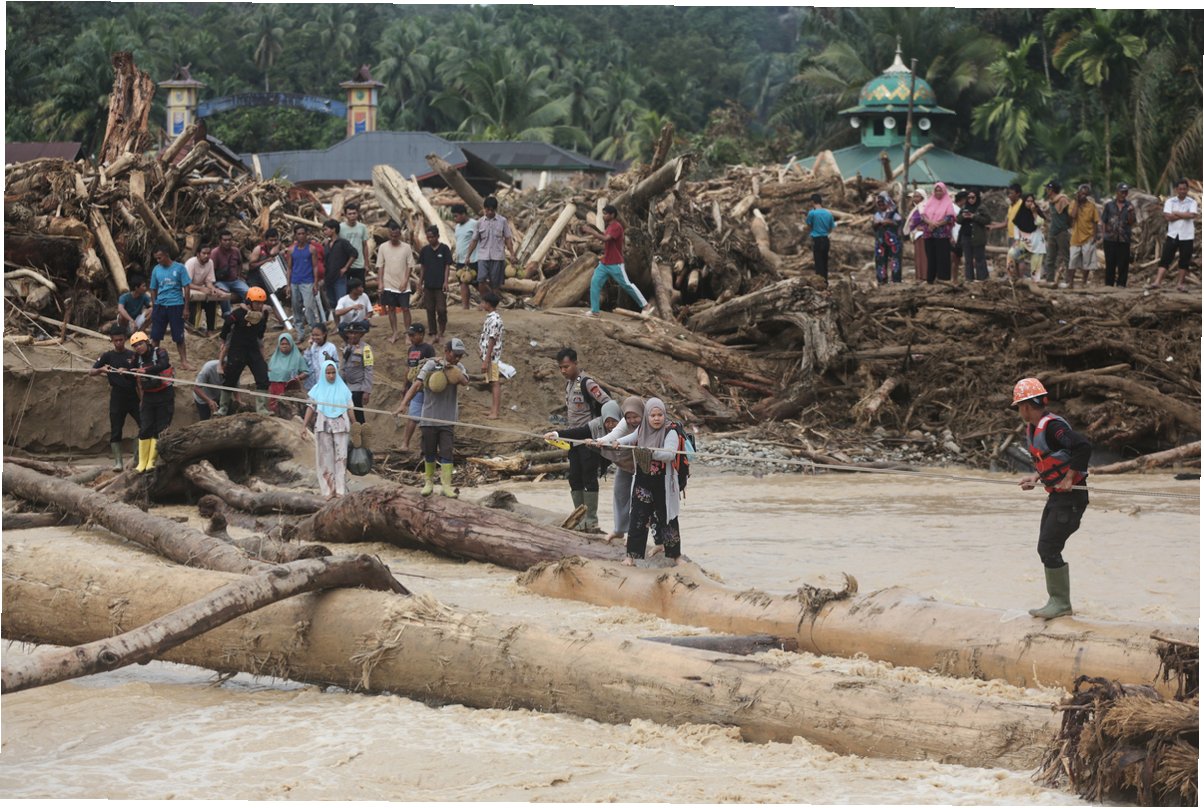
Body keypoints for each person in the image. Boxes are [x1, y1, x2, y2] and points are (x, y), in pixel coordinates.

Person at [1012, 377, 1091, 620]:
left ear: (1026, 406)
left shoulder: (1053, 428)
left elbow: (1083, 447)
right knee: (1045, 547)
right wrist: (1035, 477)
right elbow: (1050, 458)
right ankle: (1057, 602)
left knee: (1048, 547)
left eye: (1019, 406)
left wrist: (1069, 478)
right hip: (1057, 498)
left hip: (1072, 498)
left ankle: (1061, 604)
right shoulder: (1035, 428)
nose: (1019, 411)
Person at [613, 397, 684, 566]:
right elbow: (630, 438)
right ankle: (630, 556)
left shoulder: (670, 431)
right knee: (638, 518)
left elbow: (670, 454)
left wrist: (650, 453)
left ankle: (675, 556)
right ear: (647, 416)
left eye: (660, 415)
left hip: (663, 483)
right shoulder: (642, 428)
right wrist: (617, 442)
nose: (656, 418)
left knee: (667, 519)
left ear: (664, 415)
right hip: (642, 482)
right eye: (653, 415)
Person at [397, 337, 471, 498]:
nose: (458, 358)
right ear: (446, 351)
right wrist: (403, 404)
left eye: (460, 356)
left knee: (446, 452)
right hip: (429, 418)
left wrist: (451, 368)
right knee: (429, 452)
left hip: (447, 419)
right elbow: (417, 384)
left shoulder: (459, 367)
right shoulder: (431, 365)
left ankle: (446, 486)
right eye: (455, 355)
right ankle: (428, 483)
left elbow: (465, 382)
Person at [556, 347, 611, 531]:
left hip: (588, 439)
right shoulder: (569, 385)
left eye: (566, 366)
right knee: (574, 477)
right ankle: (579, 518)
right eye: (560, 367)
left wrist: (598, 426)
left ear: (575, 363)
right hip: (573, 438)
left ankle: (591, 520)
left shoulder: (587, 383)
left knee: (589, 477)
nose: (563, 370)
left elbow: (608, 404)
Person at [589, 395, 644, 542]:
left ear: (642, 413)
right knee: (619, 494)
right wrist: (600, 441)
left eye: (635, 417)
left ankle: (634, 533)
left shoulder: (647, 422)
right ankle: (619, 530)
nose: (632, 421)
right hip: (627, 465)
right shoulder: (625, 422)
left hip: (645, 466)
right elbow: (615, 433)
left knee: (637, 498)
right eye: (629, 417)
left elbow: (634, 436)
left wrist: (618, 441)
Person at [89, 324, 141, 470]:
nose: (118, 343)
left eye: (121, 340)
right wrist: (101, 369)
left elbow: (139, 373)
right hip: (117, 396)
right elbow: (91, 372)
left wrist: (129, 371)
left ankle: (137, 457)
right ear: (111, 340)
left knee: (144, 425)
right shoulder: (108, 356)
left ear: (125, 339)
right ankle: (118, 462)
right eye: (115, 340)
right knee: (116, 429)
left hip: (133, 395)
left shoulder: (133, 355)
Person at [582, 204, 648, 316]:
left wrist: (591, 231)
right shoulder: (609, 226)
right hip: (605, 263)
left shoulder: (617, 226)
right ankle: (595, 310)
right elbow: (604, 237)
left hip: (615, 263)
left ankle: (645, 305)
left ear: (612, 215)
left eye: (605, 214)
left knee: (626, 285)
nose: (603, 216)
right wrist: (593, 231)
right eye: (603, 214)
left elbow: (606, 238)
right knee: (595, 282)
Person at [302, 360, 354, 499]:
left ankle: (340, 490)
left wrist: (355, 425)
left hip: (341, 426)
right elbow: (310, 407)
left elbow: (350, 408)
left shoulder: (343, 389)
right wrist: (304, 425)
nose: (331, 375)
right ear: (323, 374)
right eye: (328, 373)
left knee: (341, 458)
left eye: (333, 372)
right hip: (323, 426)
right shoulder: (317, 389)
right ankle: (328, 490)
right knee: (325, 459)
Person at [217, 288, 272, 417]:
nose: (260, 306)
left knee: (263, 377)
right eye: (257, 303)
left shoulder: (263, 314)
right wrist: (223, 340)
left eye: (261, 303)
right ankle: (223, 408)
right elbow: (227, 324)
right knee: (230, 377)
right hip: (237, 349)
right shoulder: (238, 313)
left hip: (253, 349)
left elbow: (261, 332)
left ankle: (262, 409)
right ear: (249, 302)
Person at [129, 330, 174, 473]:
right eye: (135, 346)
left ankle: (152, 462)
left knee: (160, 428)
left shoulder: (160, 352)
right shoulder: (136, 358)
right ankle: (142, 462)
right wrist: (125, 370)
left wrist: (146, 370)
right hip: (148, 396)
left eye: (140, 344)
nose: (138, 347)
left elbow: (164, 364)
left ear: (147, 342)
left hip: (164, 395)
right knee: (145, 428)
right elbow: (132, 370)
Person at [148, 246, 192, 370]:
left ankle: (184, 361)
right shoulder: (156, 269)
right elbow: (153, 288)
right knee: (155, 336)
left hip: (176, 305)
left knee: (179, 336)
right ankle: (152, 360)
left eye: (160, 258)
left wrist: (186, 307)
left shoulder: (180, 268)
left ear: (166, 255)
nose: (158, 261)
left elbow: (187, 287)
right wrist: (155, 305)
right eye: (156, 259)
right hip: (160, 305)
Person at [1152, 178, 1200, 292]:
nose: (1182, 191)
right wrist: (1184, 215)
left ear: (1187, 189)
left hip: (1187, 235)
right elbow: (1168, 217)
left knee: (1184, 260)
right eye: (1180, 189)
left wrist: (1176, 213)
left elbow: (1192, 215)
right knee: (1165, 258)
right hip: (1173, 234)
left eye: (1184, 189)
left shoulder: (1192, 202)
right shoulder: (1170, 201)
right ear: (1176, 190)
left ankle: (1180, 284)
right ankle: (1157, 282)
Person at [465, 196, 516, 297]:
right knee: (481, 280)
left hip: (497, 257)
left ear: (495, 209)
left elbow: (508, 239)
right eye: (487, 210)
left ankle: (494, 302)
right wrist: (468, 256)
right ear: (484, 209)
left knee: (495, 284)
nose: (489, 212)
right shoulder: (479, 223)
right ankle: (485, 300)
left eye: (492, 210)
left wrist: (512, 254)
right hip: (483, 256)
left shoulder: (502, 221)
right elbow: (474, 240)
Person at [375, 220, 414, 343]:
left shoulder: (406, 247)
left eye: (396, 235)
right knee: (391, 308)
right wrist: (380, 283)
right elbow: (380, 266)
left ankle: (408, 334)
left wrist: (405, 281)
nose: (394, 237)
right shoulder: (383, 247)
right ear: (389, 234)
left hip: (403, 283)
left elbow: (410, 265)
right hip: (388, 283)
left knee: (405, 309)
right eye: (392, 235)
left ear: (400, 234)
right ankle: (395, 333)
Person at [399, 323, 436, 449]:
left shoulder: (428, 348)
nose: (410, 338)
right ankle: (405, 443)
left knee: (427, 418)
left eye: (412, 335)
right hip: (413, 387)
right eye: (409, 335)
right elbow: (408, 368)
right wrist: (405, 385)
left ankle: (426, 446)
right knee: (412, 416)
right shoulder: (411, 349)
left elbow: (432, 366)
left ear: (421, 334)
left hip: (424, 387)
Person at [284, 224, 324, 332]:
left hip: (308, 281)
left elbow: (315, 266)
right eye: (299, 234)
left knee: (309, 307)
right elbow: (289, 268)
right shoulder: (291, 250)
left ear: (307, 235)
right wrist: (288, 285)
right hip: (295, 282)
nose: (301, 236)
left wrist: (315, 283)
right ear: (295, 235)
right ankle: (300, 332)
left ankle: (313, 329)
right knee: (296, 307)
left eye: (303, 234)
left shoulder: (311, 249)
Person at [418, 223, 454, 340]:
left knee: (441, 309)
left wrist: (446, 282)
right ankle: (432, 331)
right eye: (428, 237)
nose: (430, 239)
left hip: (440, 285)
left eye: (432, 237)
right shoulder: (425, 250)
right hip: (428, 284)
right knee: (429, 309)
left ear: (437, 236)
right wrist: (420, 282)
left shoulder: (444, 249)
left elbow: (447, 266)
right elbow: (423, 267)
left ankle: (442, 329)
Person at [185, 244, 230, 336]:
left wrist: (213, 289)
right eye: (204, 253)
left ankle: (210, 329)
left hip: (199, 288)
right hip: (187, 290)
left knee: (212, 301)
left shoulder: (210, 262)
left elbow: (209, 281)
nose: (206, 256)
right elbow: (187, 284)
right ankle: (193, 329)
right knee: (196, 302)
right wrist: (201, 288)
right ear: (198, 254)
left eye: (208, 253)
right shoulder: (191, 263)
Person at [1101, 183, 1137, 288]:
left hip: (1124, 238)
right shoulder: (1109, 205)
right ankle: (1109, 284)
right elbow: (1104, 221)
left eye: (1125, 192)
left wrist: (1130, 212)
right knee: (1110, 262)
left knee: (1123, 263)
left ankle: (1121, 283)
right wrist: (1103, 235)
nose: (1123, 194)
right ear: (1117, 192)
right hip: (1110, 238)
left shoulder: (1129, 206)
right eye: (1122, 192)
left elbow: (1131, 222)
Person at [919, 182, 956, 283]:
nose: (938, 192)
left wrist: (936, 224)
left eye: (940, 190)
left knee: (942, 256)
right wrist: (930, 222)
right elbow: (923, 216)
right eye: (936, 190)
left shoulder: (948, 202)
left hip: (942, 234)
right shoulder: (929, 202)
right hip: (929, 233)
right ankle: (930, 279)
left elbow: (949, 217)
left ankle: (943, 278)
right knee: (930, 256)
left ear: (944, 191)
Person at [1067, 184, 1101, 289]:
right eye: (1081, 193)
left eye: (1085, 194)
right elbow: (1072, 215)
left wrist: (1095, 236)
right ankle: (1070, 283)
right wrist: (1077, 202)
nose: (1083, 196)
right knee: (1072, 260)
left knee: (1087, 261)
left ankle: (1084, 282)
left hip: (1088, 236)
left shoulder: (1091, 206)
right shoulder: (1073, 203)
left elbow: (1095, 221)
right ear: (1078, 193)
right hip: (1075, 237)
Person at [1007, 194, 1047, 281]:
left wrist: (1034, 212)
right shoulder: (1021, 212)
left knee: (1035, 267)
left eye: (1031, 201)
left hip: (1037, 242)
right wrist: (1017, 239)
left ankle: (1035, 282)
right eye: (1028, 201)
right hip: (1025, 241)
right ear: (1024, 202)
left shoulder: (1037, 212)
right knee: (1011, 253)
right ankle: (1014, 278)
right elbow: (1016, 225)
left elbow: (1039, 223)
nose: (1030, 203)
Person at [340, 320, 374, 424]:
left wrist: (366, 391)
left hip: (358, 387)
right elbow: (343, 367)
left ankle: (362, 431)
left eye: (355, 333)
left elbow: (368, 370)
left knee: (358, 414)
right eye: (350, 333)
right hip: (346, 386)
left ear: (361, 334)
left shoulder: (366, 349)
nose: (353, 335)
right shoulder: (347, 347)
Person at [266, 332, 308, 415]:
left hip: (290, 387)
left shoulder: (297, 357)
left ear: (291, 344)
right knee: (275, 407)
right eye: (282, 344)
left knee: (288, 408)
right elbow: (268, 372)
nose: (284, 346)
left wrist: (298, 377)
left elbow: (306, 372)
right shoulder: (274, 357)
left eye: (287, 344)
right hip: (275, 387)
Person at [321, 218, 358, 313]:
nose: (324, 232)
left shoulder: (342, 242)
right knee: (332, 303)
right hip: (329, 277)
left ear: (333, 229)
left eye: (326, 229)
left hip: (339, 277)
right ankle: (337, 321)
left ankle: (346, 320)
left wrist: (345, 267)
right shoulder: (326, 244)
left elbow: (354, 254)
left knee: (341, 300)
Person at [211, 230, 249, 317]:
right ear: (220, 241)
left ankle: (246, 312)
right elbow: (211, 269)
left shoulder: (236, 251)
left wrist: (239, 275)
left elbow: (240, 263)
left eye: (229, 240)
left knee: (248, 292)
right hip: (221, 281)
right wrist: (213, 283)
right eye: (225, 240)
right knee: (225, 294)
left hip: (235, 280)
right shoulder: (215, 253)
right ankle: (227, 314)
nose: (227, 242)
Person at [478, 292, 504, 419]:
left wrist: (486, 359)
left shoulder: (494, 320)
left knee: (495, 382)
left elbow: (492, 339)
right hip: (489, 356)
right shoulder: (491, 318)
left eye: (483, 302)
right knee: (492, 382)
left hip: (492, 357)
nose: (482, 304)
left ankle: (495, 412)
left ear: (488, 304)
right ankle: (493, 409)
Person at [957, 190, 992, 282]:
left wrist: (974, 216)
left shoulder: (981, 208)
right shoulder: (964, 207)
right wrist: (963, 216)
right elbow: (958, 220)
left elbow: (987, 220)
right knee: (968, 260)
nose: (971, 200)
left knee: (979, 258)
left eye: (973, 197)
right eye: (969, 198)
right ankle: (969, 279)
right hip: (966, 236)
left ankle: (982, 279)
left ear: (977, 198)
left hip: (978, 236)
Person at [803, 193, 836, 285]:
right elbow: (831, 228)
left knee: (818, 263)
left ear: (812, 202)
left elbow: (808, 226)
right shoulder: (828, 213)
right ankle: (825, 282)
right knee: (825, 262)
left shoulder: (812, 213)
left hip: (817, 240)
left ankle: (819, 283)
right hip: (826, 239)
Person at [1043, 182, 1072, 286]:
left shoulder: (1063, 200)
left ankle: (1069, 281)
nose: (1046, 190)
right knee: (1050, 257)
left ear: (1051, 190)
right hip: (1052, 232)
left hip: (1062, 232)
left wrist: (1066, 226)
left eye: (1047, 189)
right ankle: (1049, 281)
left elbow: (1070, 215)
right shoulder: (1051, 201)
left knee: (1066, 257)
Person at [452, 203, 479, 310]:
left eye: (456, 216)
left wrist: (470, 255)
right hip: (460, 260)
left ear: (463, 214)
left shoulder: (474, 224)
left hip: (473, 259)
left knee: (477, 283)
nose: (455, 219)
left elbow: (478, 240)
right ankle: (465, 307)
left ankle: (488, 303)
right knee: (463, 282)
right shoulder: (457, 227)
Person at [872, 192, 903, 285]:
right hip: (880, 241)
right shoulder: (877, 214)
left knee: (895, 259)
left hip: (894, 242)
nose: (881, 205)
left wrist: (890, 222)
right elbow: (874, 227)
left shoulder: (894, 213)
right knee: (880, 260)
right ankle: (882, 279)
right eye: (879, 204)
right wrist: (876, 223)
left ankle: (896, 279)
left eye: (883, 203)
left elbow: (899, 224)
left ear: (888, 202)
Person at [339, 202, 371, 288]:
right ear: (345, 215)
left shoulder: (362, 227)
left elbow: (365, 245)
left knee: (360, 288)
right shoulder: (340, 227)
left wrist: (366, 264)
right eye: (349, 214)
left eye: (354, 213)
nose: (352, 216)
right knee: (346, 289)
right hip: (345, 264)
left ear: (358, 214)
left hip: (359, 264)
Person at [302, 323, 339, 392]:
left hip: (326, 381)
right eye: (313, 335)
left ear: (324, 334)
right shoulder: (312, 346)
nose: (315, 337)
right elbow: (306, 362)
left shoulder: (330, 347)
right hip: (313, 382)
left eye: (317, 335)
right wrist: (309, 348)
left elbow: (336, 364)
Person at [904, 188, 927, 282]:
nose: (915, 198)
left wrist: (924, 227)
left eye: (917, 196)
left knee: (923, 255)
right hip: (917, 234)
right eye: (914, 196)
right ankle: (919, 276)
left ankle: (924, 275)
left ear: (922, 197)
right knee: (918, 255)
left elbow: (926, 218)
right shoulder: (916, 208)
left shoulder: (924, 207)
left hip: (922, 234)